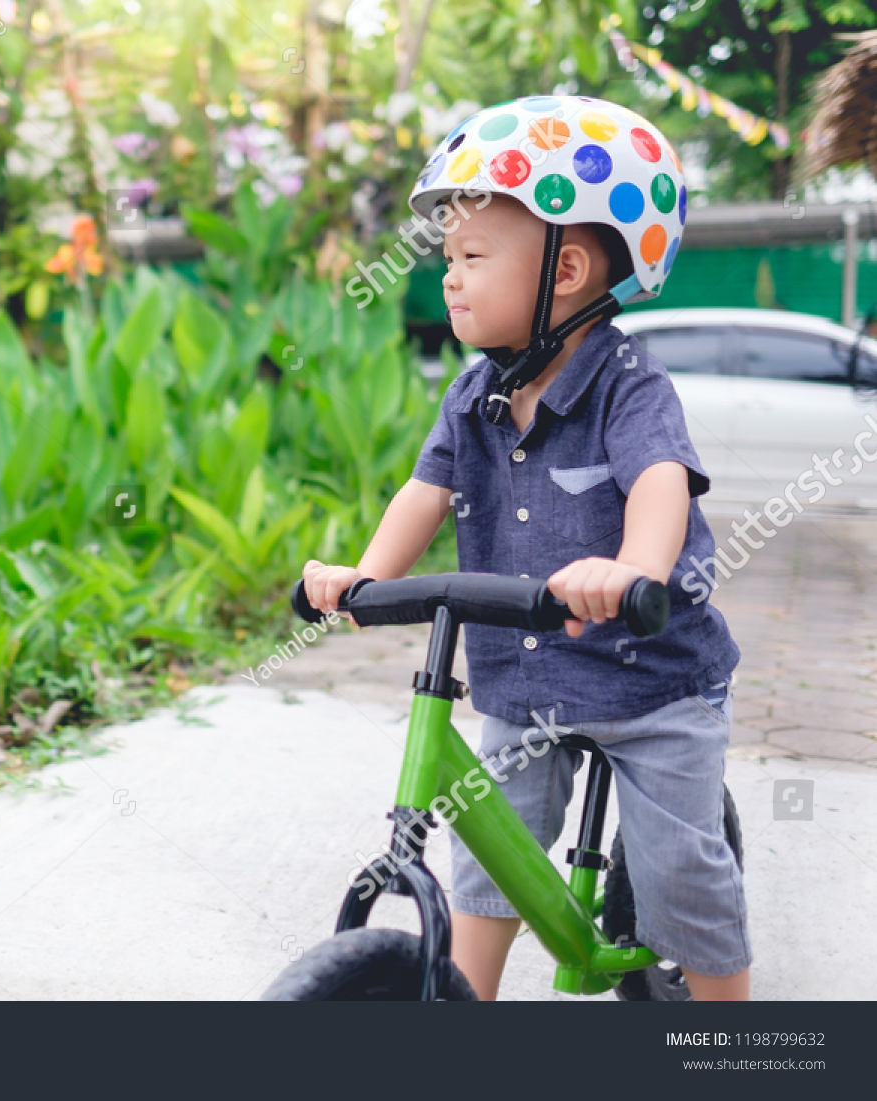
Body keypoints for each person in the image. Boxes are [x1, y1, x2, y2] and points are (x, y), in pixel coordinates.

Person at [303, 96, 750, 1000]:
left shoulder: (628, 382)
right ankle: (462, 1004)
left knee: (681, 878)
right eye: (448, 261)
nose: (450, 280)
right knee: (484, 858)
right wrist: (365, 576)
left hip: (650, 677)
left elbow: (661, 482)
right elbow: (423, 492)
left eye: (472, 257)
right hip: (523, 677)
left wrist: (634, 569)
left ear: (569, 269)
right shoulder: (471, 393)